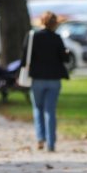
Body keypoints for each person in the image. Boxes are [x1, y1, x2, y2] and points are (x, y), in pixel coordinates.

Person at [21, 11, 71, 152]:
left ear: (41, 22)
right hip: (54, 79)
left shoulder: (32, 37)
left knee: (38, 108)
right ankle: (51, 143)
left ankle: (40, 138)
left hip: (37, 78)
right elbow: (65, 59)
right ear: (55, 23)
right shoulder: (57, 38)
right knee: (50, 110)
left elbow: (24, 58)